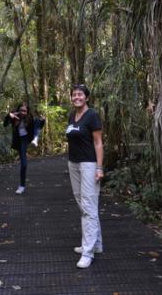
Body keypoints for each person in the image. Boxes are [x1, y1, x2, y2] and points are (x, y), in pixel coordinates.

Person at [65, 84, 104, 269]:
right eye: (74, 95)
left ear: (86, 98)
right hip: (73, 164)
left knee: (88, 205)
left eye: (80, 94)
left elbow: (98, 143)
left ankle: (88, 253)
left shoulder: (92, 115)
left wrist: (99, 167)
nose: (77, 97)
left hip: (89, 165)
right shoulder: (72, 115)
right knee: (83, 204)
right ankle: (95, 244)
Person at [4, 102, 34, 194]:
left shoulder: (30, 118)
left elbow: (36, 127)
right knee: (23, 162)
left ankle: (22, 186)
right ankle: (22, 185)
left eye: (24, 111)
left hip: (24, 141)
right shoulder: (14, 116)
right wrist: (9, 116)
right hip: (18, 141)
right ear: (18, 110)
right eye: (21, 110)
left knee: (24, 164)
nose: (22, 113)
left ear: (27, 112)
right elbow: (5, 124)